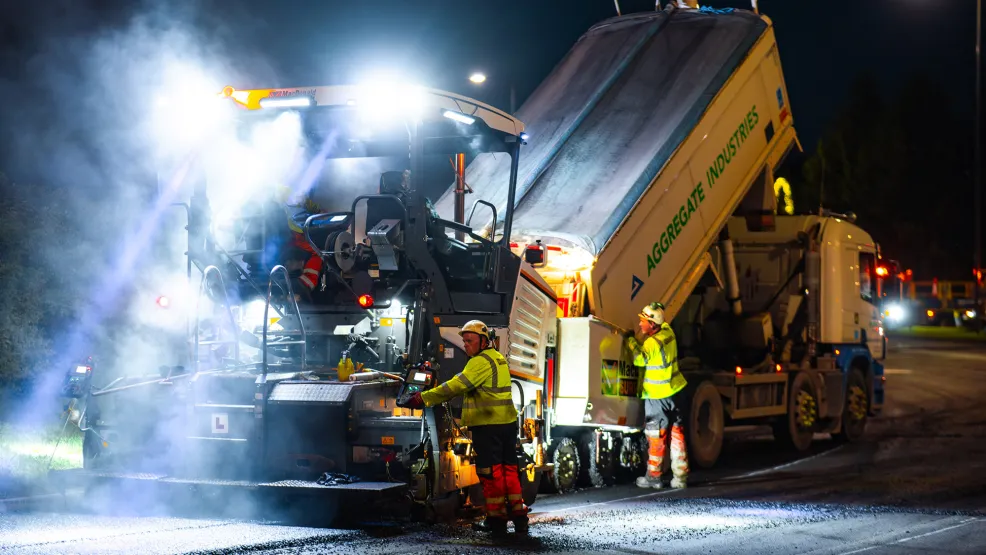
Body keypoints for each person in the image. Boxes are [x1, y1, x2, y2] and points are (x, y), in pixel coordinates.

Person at [404, 320, 528, 537]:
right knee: (509, 472)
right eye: (464, 341)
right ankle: (520, 520)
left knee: (491, 474)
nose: (466, 345)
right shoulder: (498, 358)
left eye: (470, 340)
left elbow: (456, 386)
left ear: (483, 341)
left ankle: (496, 522)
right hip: (507, 425)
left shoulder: (479, 362)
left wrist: (423, 397)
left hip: (489, 428)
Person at [623, 302, 689, 489]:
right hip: (675, 393)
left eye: (643, 321)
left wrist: (630, 341)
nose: (640, 324)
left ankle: (653, 477)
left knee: (656, 437)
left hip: (657, 397)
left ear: (653, 324)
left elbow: (638, 359)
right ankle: (680, 477)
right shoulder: (669, 333)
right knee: (677, 436)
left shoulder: (651, 343)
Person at [276, 185, 323, 298]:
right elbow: (301, 202)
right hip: (293, 235)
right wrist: (319, 212)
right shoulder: (287, 190)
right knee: (317, 254)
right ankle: (304, 284)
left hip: (284, 237)